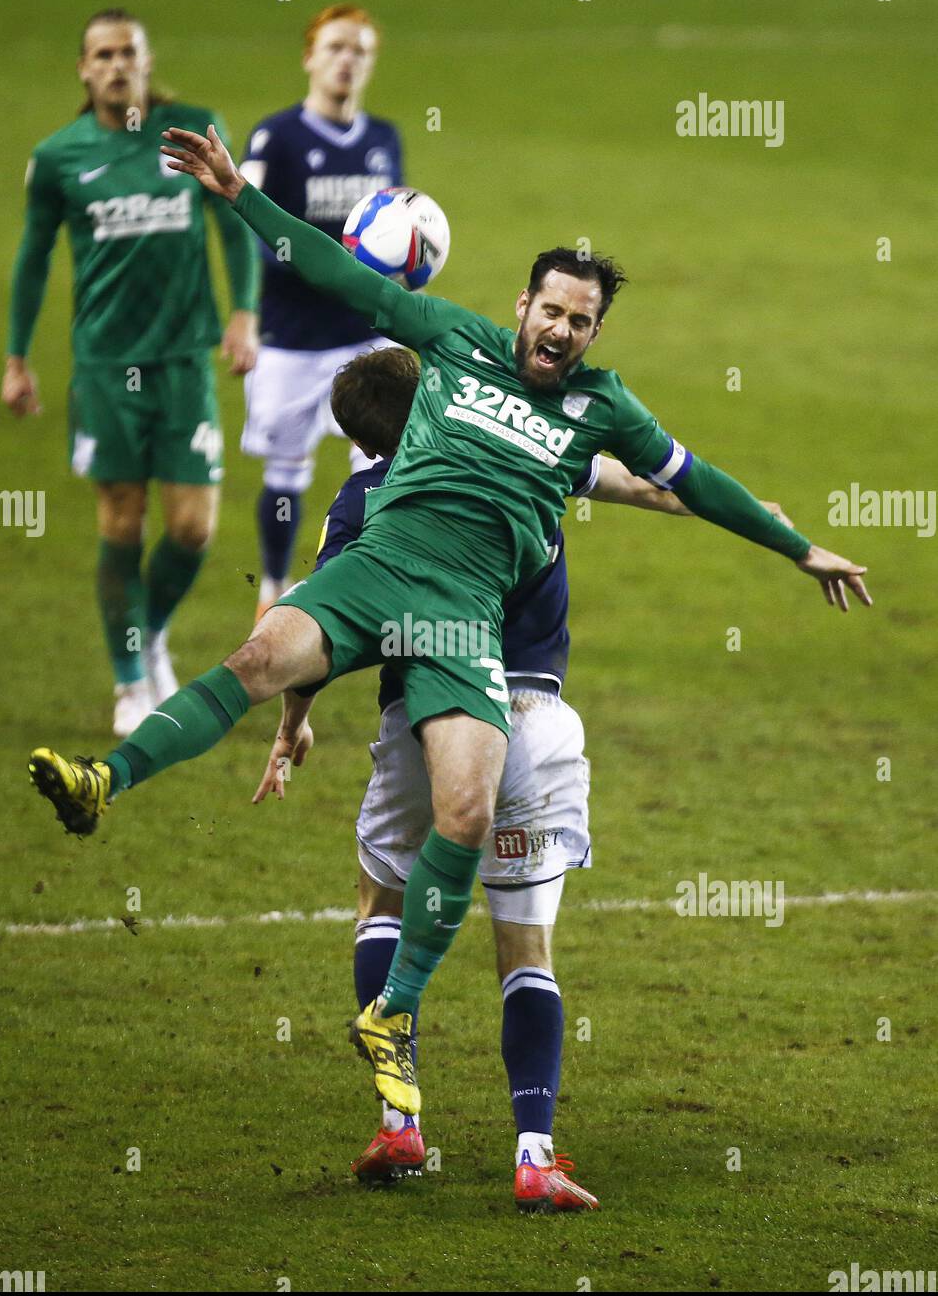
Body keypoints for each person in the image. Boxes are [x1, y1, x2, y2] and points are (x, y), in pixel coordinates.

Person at [29, 123, 871, 1140]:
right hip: (378, 571)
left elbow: (693, 481)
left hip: (463, 615)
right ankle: (102, 781)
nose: (561, 330)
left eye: (581, 321)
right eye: (551, 310)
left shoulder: (605, 410)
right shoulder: (452, 338)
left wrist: (799, 548)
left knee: (465, 813)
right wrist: (234, 194)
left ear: (595, 334)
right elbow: (337, 271)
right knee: (254, 660)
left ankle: (391, 1016)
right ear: (523, 305)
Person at [265, 347, 789, 1210]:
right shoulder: (528, 450)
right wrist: (750, 519)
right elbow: (651, 481)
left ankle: (400, 1124)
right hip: (535, 729)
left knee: (383, 904)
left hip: (424, 726)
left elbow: (318, 620)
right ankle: (534, 1153)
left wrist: (294, 723)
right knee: (526, 948)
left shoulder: (362, 501)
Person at [3, 10, 259, 736]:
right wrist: (17, 358)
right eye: (104, 55)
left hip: (183, 361)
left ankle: (148, 636)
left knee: (192, 528)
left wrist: (244, 313)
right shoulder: (58, 157)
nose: (118, 65)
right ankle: (128, 680)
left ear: (147, 63)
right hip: (107, 367)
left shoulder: (192, 131)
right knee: (121, 520)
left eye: (129, 53)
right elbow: (30, 259)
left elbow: (233, 219)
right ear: (85, 70)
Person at [238, 3, 403, 617]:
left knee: (388, 463)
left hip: (366, 334)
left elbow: (396, 227)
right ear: (310, 56)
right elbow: (252, 229)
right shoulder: (275, 137)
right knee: (286, 469)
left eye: (359, 50)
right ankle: (273, 588)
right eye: (335, 47)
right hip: (291, 337)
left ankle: (371, 579)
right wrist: (329, 263)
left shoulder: (383, 140)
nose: (347, 60)